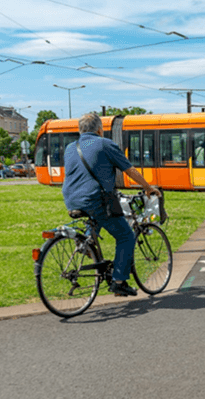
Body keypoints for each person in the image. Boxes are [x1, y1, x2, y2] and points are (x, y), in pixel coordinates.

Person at [62, 113, 161, 297]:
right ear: (100, 129)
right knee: (126, 236)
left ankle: (86, 244)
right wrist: (148, 187)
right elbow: (129, 169)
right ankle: (119, 281)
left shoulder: (69, 147)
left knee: (97, 219)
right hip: (96, 199)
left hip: (71, 199)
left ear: (79, 130)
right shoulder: (104, 144)